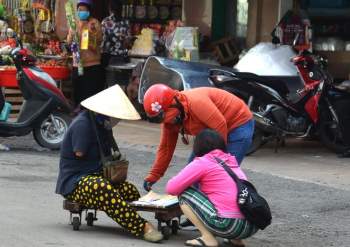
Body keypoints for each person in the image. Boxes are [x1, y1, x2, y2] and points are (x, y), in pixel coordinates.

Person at [55, 109, 163, 242]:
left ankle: (130, 216)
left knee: (130, 190)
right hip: (75, 181)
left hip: (97, 175)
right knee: (102, 188)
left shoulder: (102, 125)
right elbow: (79, 152)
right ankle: (142, 226)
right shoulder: (82, 124)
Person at [142, 84, 254, 191]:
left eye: (173, 117)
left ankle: (226, 208)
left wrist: (215, 163)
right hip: (212, 132)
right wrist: (154, 175)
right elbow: (166, 148)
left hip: (238, 124)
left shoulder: (197, 103)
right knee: (193, 176)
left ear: (175, 103)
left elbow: (220, 127)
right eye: (167, 120)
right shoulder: (169, 122)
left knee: (221, 175)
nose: (171, 121)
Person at [166, 129, 258, 247]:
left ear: (198, 146)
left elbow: (172, 188)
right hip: (251, 226)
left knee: (184, 193)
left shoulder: (203, 162)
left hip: (230, 225)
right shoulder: (230, 161)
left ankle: (208, 238)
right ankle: (235, 240)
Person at [67, 0, 105, 107]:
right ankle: (78, 112)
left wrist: (87, 33)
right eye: (79, 10)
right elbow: (69, 42)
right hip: (77, 64)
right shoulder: (74, 24)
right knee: (78, 91)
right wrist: (72, 35)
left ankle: (90, 115)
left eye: (84, 10)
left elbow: (98, 40)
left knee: (90, 93)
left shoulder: (94, 23)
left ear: (89, 11)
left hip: (91, 65)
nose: (81, 12)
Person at [101, 0, 132, 68]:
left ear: (110, 9)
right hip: (122, 57)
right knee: (121, 78)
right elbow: (128, 42)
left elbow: (102, 40)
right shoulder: (126, 22)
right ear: (121, 9)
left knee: (109, 77)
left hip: (108, 57)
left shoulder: (105, 22)